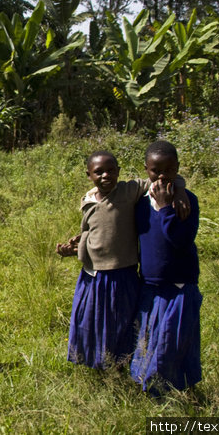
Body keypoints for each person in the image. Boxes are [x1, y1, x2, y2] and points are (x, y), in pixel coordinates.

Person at [56, 150, 190, 369]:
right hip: (92, 275)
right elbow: (95, 231)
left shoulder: (128, 191)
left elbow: (161, 179)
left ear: (119, 172)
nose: (105, 176)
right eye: (98, 172)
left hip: (121, 273)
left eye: (111, 171)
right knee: (90, 320)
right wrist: (75, 246)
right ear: (89, 175)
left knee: (120, 322)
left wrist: (181, 190)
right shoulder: (87, 201)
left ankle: (119, 364)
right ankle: (94, 362)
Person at [130, 140, 201, 395]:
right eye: (155, 170)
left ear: (177, 168)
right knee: (148, 341)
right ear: (146, 170)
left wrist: (164, 208)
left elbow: (180, 240)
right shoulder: (139, 203)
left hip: (180, 285)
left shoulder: (186, 202)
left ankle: (178, 390)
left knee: (175, 341)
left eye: (168, 170)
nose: (162, 176)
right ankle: (148, 388)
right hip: (150, 285)